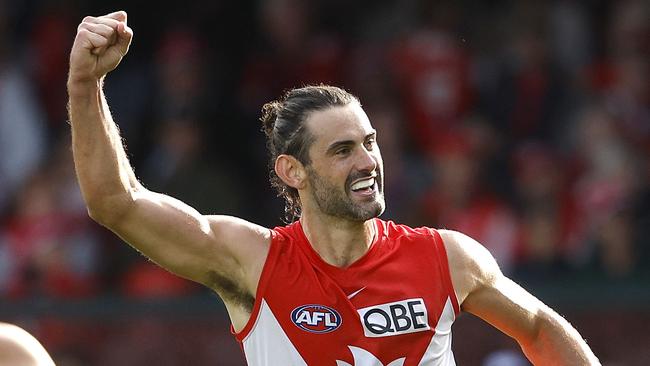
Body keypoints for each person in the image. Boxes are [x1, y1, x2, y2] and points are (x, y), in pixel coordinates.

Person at [67, 11, 600, 365]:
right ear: (291, 171)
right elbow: (116, 202)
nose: (368, 160)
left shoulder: (449, 258)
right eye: (343, 150)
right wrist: (86, 85)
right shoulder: (251, 261)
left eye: (370, 142)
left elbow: (539, 329)